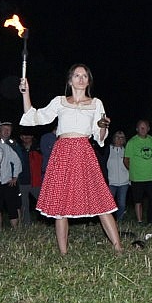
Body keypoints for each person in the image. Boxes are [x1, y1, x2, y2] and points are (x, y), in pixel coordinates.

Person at [19, 64, 123, 254]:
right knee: (60, 204)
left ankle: (118, 248)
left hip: (84, 152)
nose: (81, 79)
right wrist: (26, 93)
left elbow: (100, 137)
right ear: (70, 80)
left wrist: (103, 126)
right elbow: (35, 117)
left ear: (88, 81)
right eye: (77, 75)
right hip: (62, 153)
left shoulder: (96, 103)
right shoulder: (59, 102)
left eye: (84, 76)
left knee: (101, 199)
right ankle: (63, 253)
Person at [106, 131, 130, 221]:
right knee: (109, 204)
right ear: (113, 138)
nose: (119, 139)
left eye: (122, 137)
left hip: (124, 182)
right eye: (117, 137)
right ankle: (109, 221)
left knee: (122, 204)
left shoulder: (126, 150)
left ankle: (119, 220)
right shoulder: (108, 149)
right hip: (111, 182)